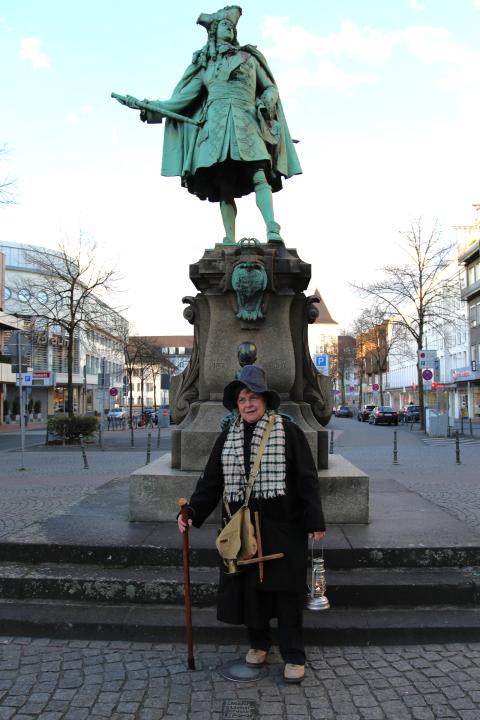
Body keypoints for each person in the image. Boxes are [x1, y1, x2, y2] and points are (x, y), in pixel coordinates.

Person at [177, 364, 326, 683]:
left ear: (266, 401)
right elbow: (211, 482)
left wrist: (315, 519)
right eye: (243, 398)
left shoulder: (288, 431)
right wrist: (191, 512)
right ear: (236, 403)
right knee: (251, 592)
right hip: (241, 527)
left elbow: (306, 478)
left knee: (285, 595)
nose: (248, 403)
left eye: (254, 397)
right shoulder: (227, 437)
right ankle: (259, 644)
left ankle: (294, 655)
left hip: (283, 527)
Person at [131, 5, 302, 245]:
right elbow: (180, 102)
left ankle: (272, 228)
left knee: (259, 173)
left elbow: (270, 87)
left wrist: (267, 100)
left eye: (231, 26)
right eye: (224, 25)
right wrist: (148, 106)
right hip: (216, 129)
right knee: (224, 185)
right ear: (213, 31)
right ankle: (229, 238)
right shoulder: (205, 66)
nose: (229, 29)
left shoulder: (249, 58)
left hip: (246, 121)